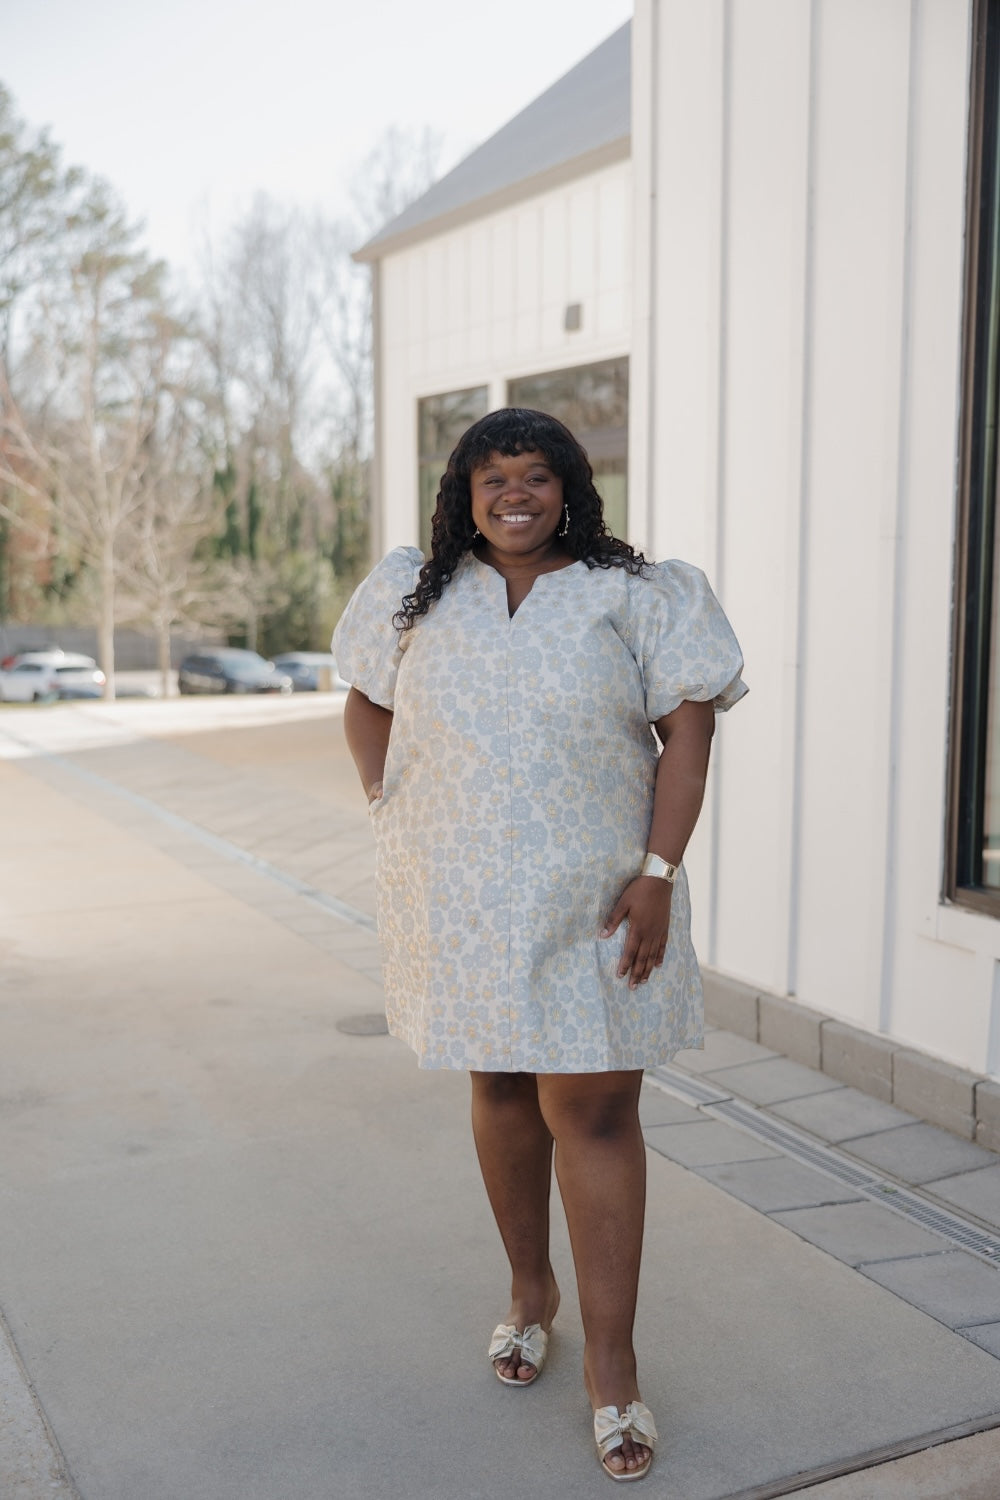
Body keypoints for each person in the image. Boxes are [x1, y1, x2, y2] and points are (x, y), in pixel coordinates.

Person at [333, 408, 746, 1483]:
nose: (513, 493)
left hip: (598, 899)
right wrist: (396, 810)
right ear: (463, 491)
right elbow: (366, 703)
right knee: (505, 1087)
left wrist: (656, 875)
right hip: (462, 895)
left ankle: (612, 1366)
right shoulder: (415, 594)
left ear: (569, 486)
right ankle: (530, 1292)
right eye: (491, 475)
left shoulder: (637, 594)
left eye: (536, 474)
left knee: (595, 1105)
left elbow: (688, 737)